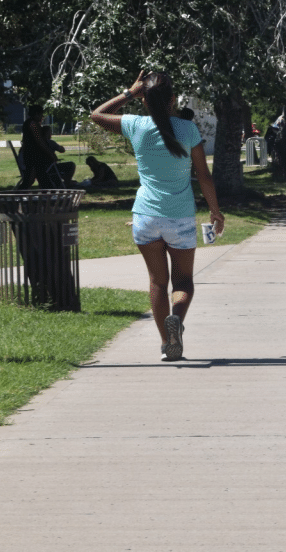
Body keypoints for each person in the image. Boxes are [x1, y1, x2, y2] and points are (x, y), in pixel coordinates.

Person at [91, 71, 225, 361]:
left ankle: (167, 344)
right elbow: (203, 174)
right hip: (179, 218)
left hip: (146, 217)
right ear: (173, 100)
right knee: (184, 282)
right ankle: (176, 318)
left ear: (144, 101)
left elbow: (97, 114)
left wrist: (129, 92)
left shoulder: (136, 125)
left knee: (157, 282)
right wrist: (215, 210)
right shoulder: (187, 130)